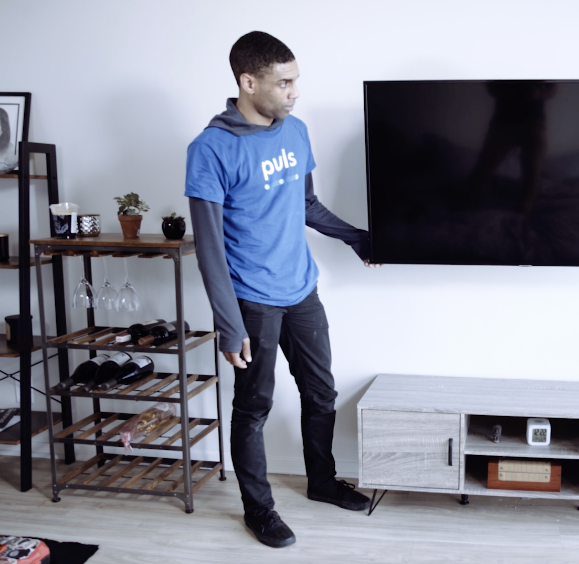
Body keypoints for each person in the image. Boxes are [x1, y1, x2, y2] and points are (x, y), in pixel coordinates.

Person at [184, 31, 377, 549]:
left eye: (296, 81)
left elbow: (306, 204)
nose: (295, 92)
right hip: (251, 301)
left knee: (321, 393)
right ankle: (259, 510)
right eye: (284, 82)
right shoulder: (210, 150)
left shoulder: (295, 132)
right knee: (253, 408)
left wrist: (356, 238)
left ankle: (321, 481)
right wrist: (228, 326)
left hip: (301, 290)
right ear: (248, 82)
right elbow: (208, 249)